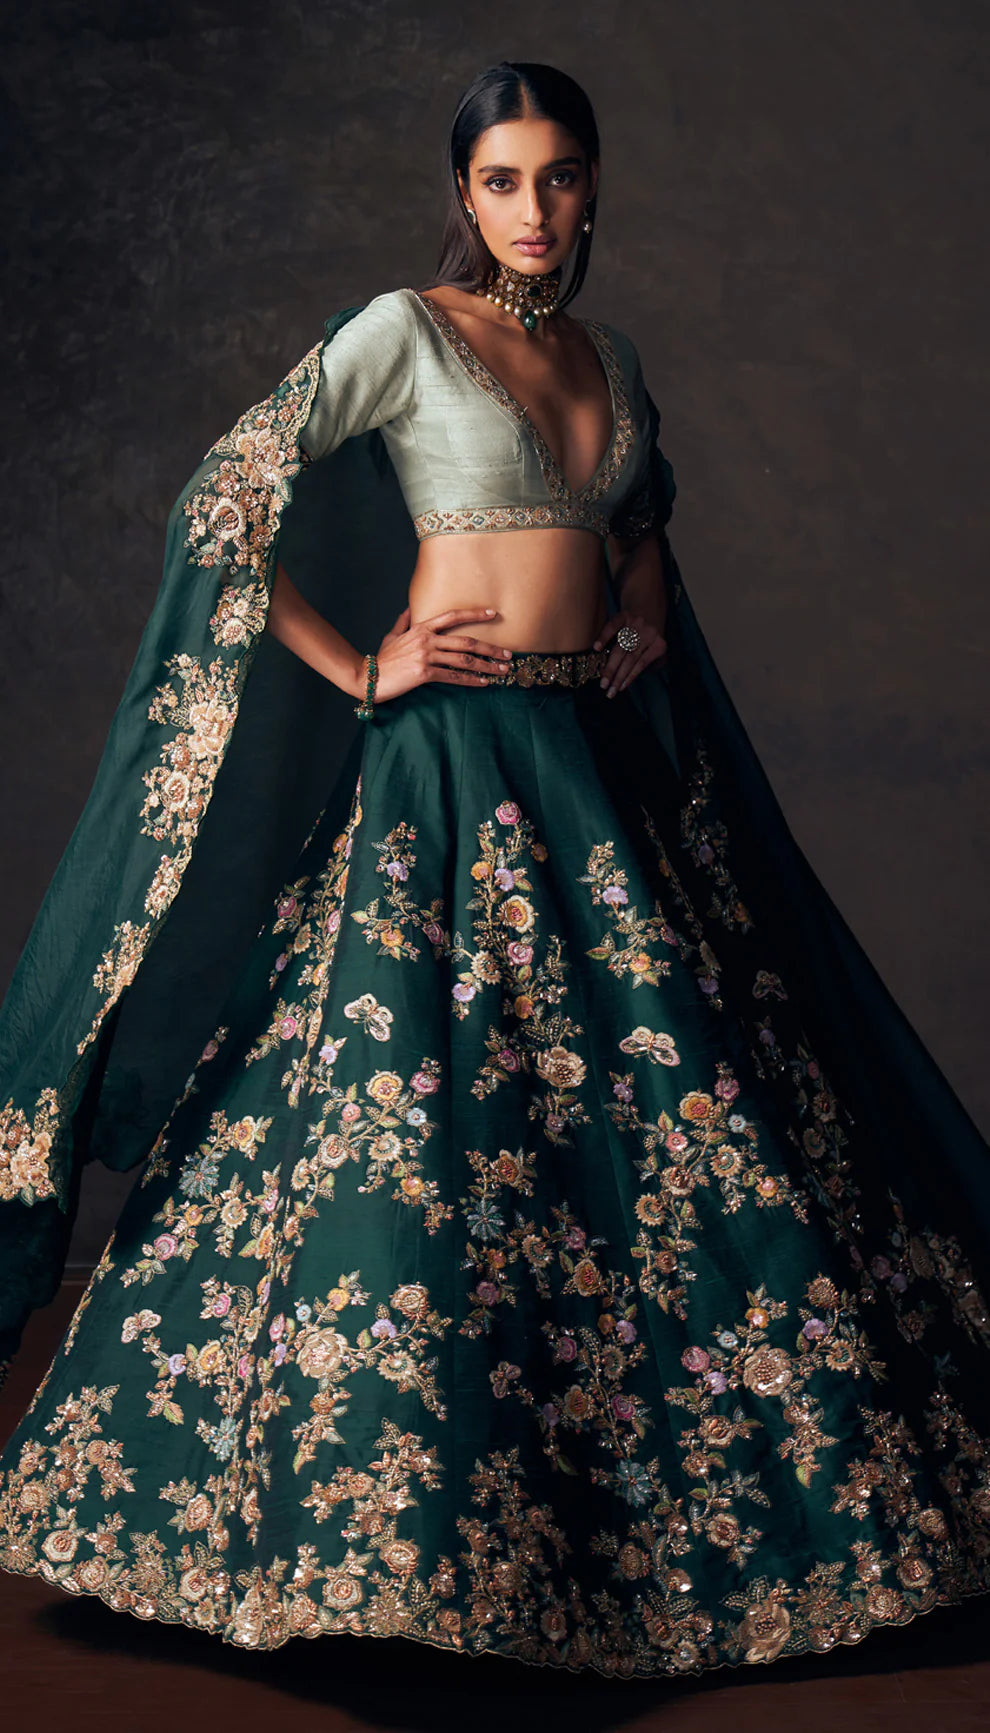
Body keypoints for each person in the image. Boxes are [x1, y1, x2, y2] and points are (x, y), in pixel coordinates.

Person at [1, 59, 989, 1681]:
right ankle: (390, 1539)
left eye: (562, 176)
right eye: (504, 180)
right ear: (460, 196)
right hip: (443, 778)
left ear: (595, 189)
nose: (535, 210)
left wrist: (648, 605)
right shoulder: (404, 330)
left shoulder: (618, 361)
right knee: (420, 1134)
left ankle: (635, 1537)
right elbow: (220, 506)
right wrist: (360, 668)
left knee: (658, 1145)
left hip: (589, 776)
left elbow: (638, 517)